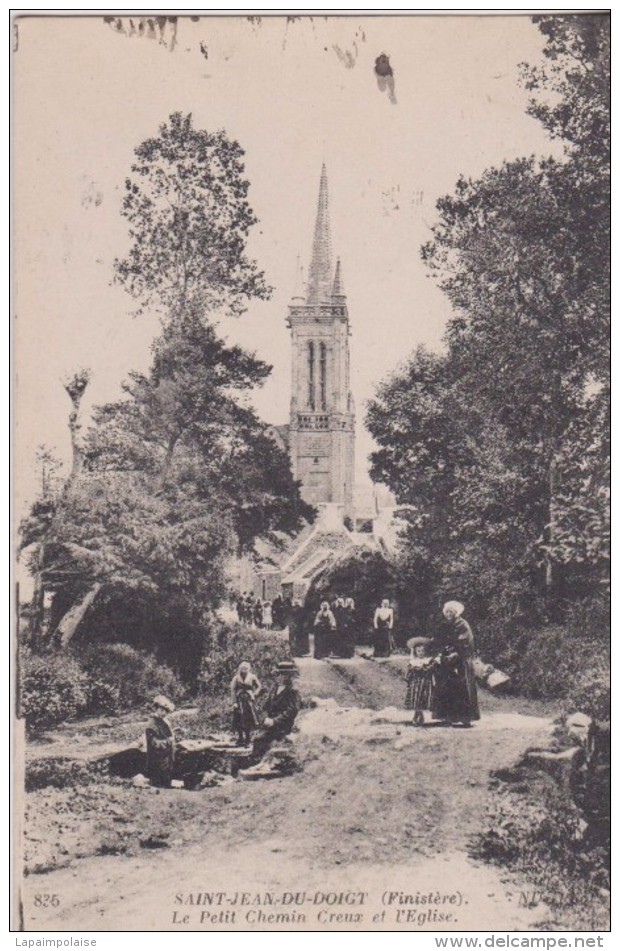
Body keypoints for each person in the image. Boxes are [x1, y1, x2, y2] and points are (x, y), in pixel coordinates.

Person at [433, 601, 480, 727]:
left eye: (451, 612)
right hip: (448, 660)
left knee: (462, 687)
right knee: (447, 686)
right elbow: (439, 640)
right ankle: (447, 717)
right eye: (447, 612)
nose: (448, 614)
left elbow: (465, 642)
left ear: (456, 613)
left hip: (461, 660)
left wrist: (455, 652)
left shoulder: (463, 625)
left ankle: (466, 718)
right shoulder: (444, 625)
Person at [252, 661, 302, 760]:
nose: (278, 677)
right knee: (256, 738)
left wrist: (274, 721)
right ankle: (255, 761)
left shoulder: (292, 691)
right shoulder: (275, 687)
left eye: (282, 675)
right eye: (278, 674)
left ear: (288, 676)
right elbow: (265, 706)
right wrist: (265, 717)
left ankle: (257, 764)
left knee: (259, 740)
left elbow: (291, 711)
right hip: (269, 723)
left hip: (283, 725)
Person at [145, 695, 176, 787]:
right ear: (156, 709)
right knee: (158, 786)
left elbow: (168, 734)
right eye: (161, 710)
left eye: (165, 711)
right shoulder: (152, 725)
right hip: (156, 762)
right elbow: (155, 744)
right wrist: (169, 741)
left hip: (166, 761)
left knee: (166, 784)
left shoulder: (164, 722)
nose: (163, 713)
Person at [404, 637, 436, 726]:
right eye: (418, 651)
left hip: (425, 682)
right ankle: (417, 714)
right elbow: (410, 670)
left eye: (422, 651)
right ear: (415, 652)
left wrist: (422, 668)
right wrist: (409, 678)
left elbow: (429, 669)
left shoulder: (428, 660)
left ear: (425, 652)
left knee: (422, 698)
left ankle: (418, 715)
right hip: (415, 682)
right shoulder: (414, 661)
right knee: (416, 698)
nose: (420, 653)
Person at [230, 661, 262, 746]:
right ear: (240, 669)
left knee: (248, 718)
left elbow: (259, 686)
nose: (244, 670)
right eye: (242, 668)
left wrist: (255, 694)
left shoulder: (252, 677)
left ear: (249, 669)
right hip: (239, 700)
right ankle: (240, 738)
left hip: (248, 701)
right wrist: (234, 702)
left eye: (246, 668)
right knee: (238, 718)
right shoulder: (236, 678)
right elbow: (232, 690)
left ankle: (248, 739)